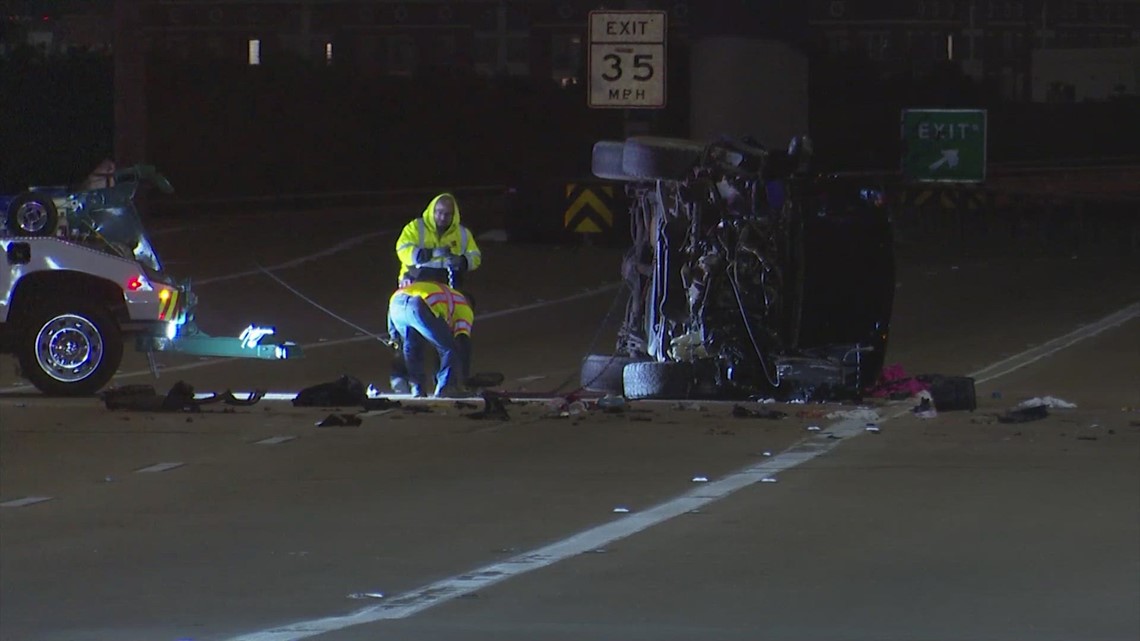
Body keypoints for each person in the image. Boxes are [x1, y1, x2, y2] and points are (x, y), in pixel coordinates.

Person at [386, 279, 474, 398]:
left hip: (396, 304)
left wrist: (394, 336)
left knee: (412, 348)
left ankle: (418, 390)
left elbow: (392, 311)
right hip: (420, 304)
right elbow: (462, 341)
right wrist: (465, 377)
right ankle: (446, 388)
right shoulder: (464, 307)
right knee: (450, 348)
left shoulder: (445, 293)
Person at [395, 193, 482, 290]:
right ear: (432, 211)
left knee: (466, 303)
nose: (443, 217)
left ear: (454, 215)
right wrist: (430, 253)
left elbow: (476, 256)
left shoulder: (463, 233)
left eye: (448, 214)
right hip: (415, 278)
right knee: (416, 304)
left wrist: (462, 260)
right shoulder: (415, 228)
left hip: (450, 282)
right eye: (439, 212)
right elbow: (402, 250)